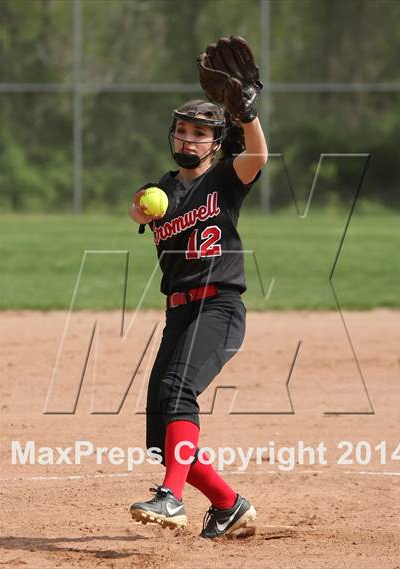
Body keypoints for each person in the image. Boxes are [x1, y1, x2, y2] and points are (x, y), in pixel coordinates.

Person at [129, 39, 267, 540]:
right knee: (160, 433)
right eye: (183, 131)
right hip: (179, 314)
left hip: (220, 307)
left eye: (200, 133)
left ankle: (171, 497)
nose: (188, 140)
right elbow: (139, 208)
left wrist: (246, 112)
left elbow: (258, 154)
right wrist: (140, 207)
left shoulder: (227, 179)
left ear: (215, 142)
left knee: (178, 390)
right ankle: (229, 506)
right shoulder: (161, 188)